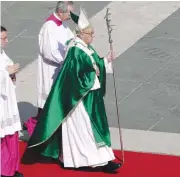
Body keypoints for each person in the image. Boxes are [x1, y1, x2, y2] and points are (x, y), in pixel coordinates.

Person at [26, 7, 122, 172]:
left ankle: (101, 160)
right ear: (81, 34)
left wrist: (105, 61)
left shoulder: (85, 47)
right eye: (90, 34)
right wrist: (93, 71)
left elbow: (94, 64)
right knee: (85, 132)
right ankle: (91, 161)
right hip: (78, 101)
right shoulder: (75, 50)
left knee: (90, 131)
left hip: (88, 97)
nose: (93, 36)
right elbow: (74, 75)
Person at [23, 1, 75, 136]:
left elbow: (71, 40)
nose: (71, 15)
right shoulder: (49, 27)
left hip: (61, 68)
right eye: (69, 13)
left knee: (55, 103)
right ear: (60, 12)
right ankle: (34, 127)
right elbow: (49, 52)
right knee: (48, 103)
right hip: (50, 69)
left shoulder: (63, 24)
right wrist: (65, 60)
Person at [0, 26, 23, 177]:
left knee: (10, 133)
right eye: (4, 38)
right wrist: (6, 73)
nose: (7, 41)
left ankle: (10, 168)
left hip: (7, 101)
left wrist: (12, 73)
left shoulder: (2, 53)